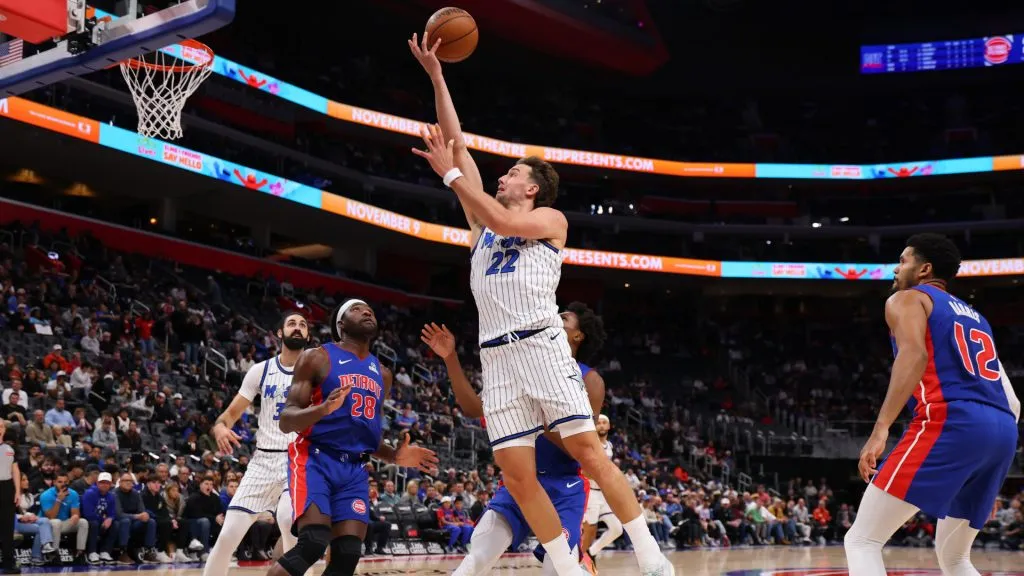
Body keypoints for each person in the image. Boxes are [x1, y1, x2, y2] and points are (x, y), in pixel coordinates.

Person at [409, 34, 673, 576]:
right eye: (501, 174)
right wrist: (438, 77)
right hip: (497, 357)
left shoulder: (551, 223)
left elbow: (485, 199)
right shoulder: (481, 225)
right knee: (514, 474)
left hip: (540, 344)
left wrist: (453, 176)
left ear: (533, 190)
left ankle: (651, 557)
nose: (502, 176)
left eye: (512, 174)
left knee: (588, 454)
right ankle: (566, 567)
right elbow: (458, 148)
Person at [845, 233, 1021, 576]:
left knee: (862, 540)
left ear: (924, 269)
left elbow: (914, 354)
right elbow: (1012, 400)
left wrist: (880, 430)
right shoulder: (975, 316)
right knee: (955, 558)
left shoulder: (908, 299)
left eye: (903, 261)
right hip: (1002, 431)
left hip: (953, 420)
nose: (896, 269)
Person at [420, 306, 604, 576]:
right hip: (520, 479)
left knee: (557, 570)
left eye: (564, 318)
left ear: (579, 336)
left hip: (563, 486)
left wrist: (542, 416)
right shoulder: (521, 366)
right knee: (476, 559)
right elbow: (473, 408)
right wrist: (450, 358)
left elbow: (584, 453)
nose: (554, 319)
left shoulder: (589, 379)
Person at [265, 300, 438, 576]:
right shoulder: (317, 357)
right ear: (341, 325)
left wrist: (395, 456)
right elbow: (287, 420)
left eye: (369, 309)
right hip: (316, 458)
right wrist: (322, 408)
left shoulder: (383, 374)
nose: (367, 311)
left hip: (355, 468)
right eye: (356, 309)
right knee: (312, 544)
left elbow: (368, 437)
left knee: (347, 554)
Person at [202, 312, 309, 576]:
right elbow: (229, 414)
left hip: (296, 460)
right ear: (280, 333)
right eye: (292, 324)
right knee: (228, 535)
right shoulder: (260, 370)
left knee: (288, 522)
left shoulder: (316, 372)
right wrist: (219, 427)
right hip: (262, 462)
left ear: (308, 336)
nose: (298, 328)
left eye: (303, 325)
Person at [39, 470, 89, 563]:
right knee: (56, 522)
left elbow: (75, 512)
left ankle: (80, 553)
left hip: (64, 523)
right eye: (60, 482)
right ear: (54, 482)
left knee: (83, 522)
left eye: (65, 482)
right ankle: (54, 554)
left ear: (69, 482)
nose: (63, 484)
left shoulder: (73, 494)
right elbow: (51, 517)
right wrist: (58, 500)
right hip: (48, 524)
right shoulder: (46, 495)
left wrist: (75, 516)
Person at [82, 472, 119, 564]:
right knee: (94, 523)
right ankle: (91, 553)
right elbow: (88, 514)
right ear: (97, 483)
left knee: (115, 524)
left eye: (107, 483)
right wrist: (103, 519)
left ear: (110, 485)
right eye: (102, 482)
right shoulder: (89, 493)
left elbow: (112, 513)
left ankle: (105, 552)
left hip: (100, 520)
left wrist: (110, 518)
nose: (104, 485)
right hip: (87, 520)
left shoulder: (111, 496)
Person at [0, 421, 20, 574]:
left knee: (8, 528)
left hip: (6, 488)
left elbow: (15, 471)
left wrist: (18, 491)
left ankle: (9, 563)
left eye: (1, 426)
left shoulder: (9, 448)